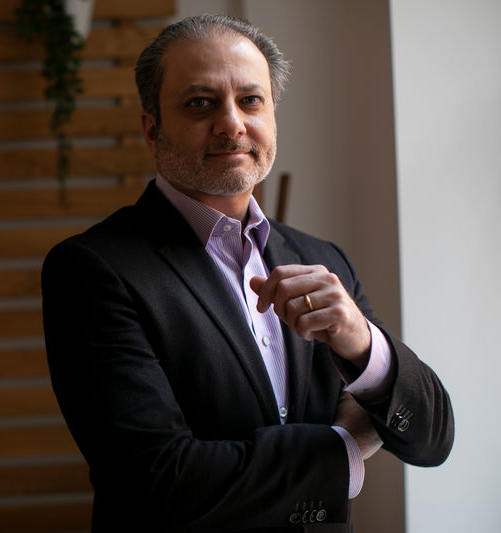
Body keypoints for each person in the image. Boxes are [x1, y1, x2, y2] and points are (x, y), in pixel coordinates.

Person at [41, 14, 453, 532]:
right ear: (152, 129)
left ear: (273, 117)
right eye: (200, 103)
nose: (231, 123)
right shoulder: (92, 270)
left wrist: (363, 343)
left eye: (251, 100)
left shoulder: (323, 258)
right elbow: (155, 480)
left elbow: (433, 439)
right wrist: (343, 450)